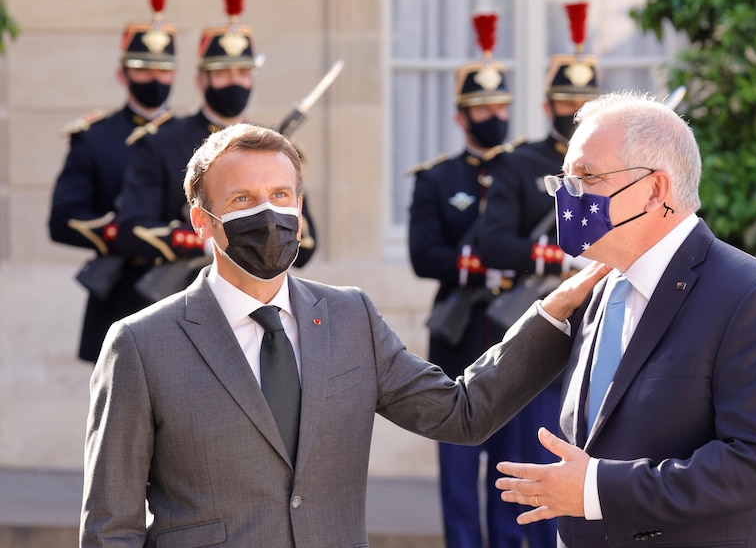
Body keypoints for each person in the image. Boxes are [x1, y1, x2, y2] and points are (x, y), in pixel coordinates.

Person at [79, 122, 611, 547]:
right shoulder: (141, 344)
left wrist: (553, 313)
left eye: (281, 194)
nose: (268, 213)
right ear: (202, 221)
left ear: (301, 209)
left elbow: (461, 413)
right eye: (242, 200)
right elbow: (111, 528)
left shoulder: (349, 317)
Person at [494, 91, 756, 547]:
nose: (568, 195)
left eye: (587, 176)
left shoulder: (750, 296)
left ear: (656, 190)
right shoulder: (601, 289)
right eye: (564, 179)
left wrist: (597, 488)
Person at [408, 12, 533, 548]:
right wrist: (477, 264)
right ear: (462, 116)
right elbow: (423, 254)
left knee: (512, 478)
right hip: (460, 338)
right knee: (460, 481)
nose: (493, 116)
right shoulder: (439, 179)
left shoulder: (529, 172)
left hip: (515, 339)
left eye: (501, 106)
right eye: (482, 108)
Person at [114, 0, 316, 303]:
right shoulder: (162, 141)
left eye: (242, 73)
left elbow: (306, 245)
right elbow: (132, 229)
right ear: (200, 79)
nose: (233, 82)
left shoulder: (273, 148)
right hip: (176, 298)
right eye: (222, 73)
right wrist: (205, 239)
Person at [478, 1, 599, 547]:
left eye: (584, 102)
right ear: (549, 104)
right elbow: (492, 241)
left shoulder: (614, 167)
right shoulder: (521, 163)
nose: (574, 110)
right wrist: (556, 257)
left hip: (595, 328)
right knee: (524, 466)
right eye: (566, 100)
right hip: (541, 323)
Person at [48, 0, 176, 363]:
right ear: (122, 73)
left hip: (181, 287)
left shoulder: (191, 135)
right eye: (142, 68)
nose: (154, 78)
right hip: (120, 289)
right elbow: (64, 219)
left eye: (163, 69)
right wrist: (128, 236)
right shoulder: (95, 137)